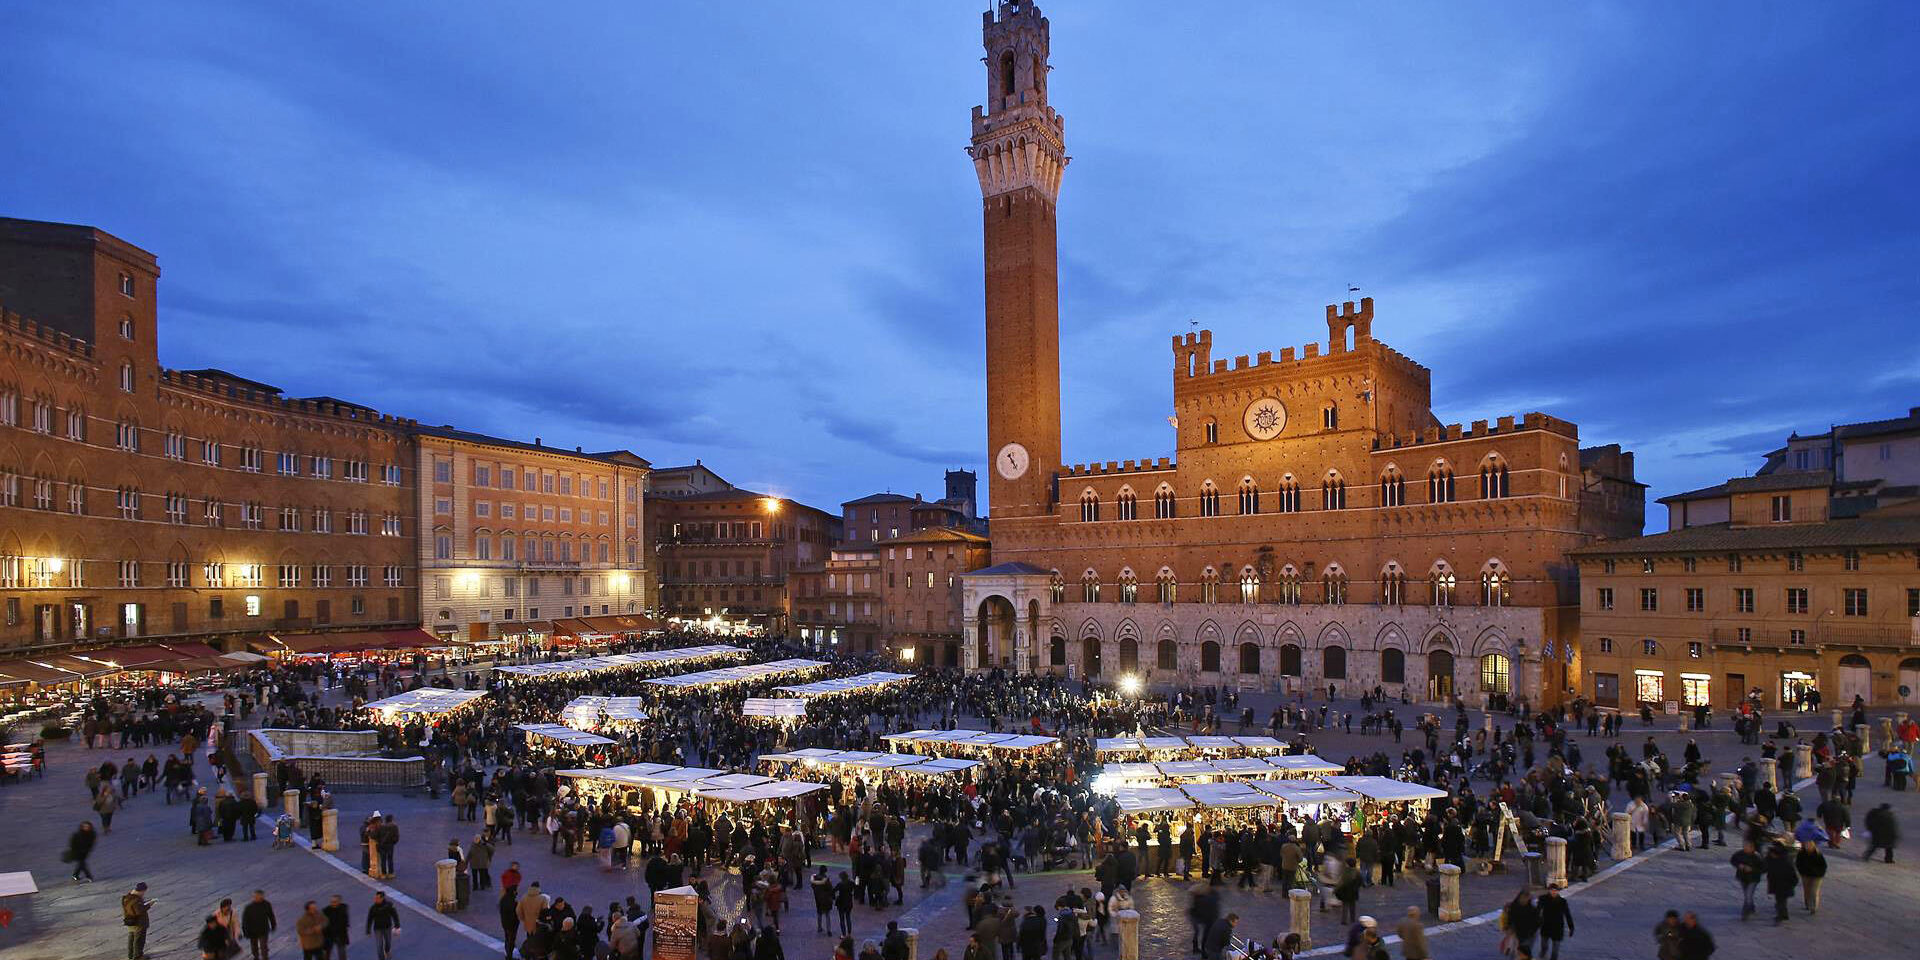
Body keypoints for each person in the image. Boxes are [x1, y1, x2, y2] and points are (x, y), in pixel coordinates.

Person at [1762, 843, 1797, 923]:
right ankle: (1784, 915)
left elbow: (1793, 875)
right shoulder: (1772, 860)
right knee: (1781, 900)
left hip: (1784, 885)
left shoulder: (1785, 862)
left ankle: (1780, 916)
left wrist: (1792, 884)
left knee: (1780, 901)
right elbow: (1764, 868)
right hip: (1777, 884)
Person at [1536, 886, 1573, 960]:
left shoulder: (1562, 902)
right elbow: (1537, 911)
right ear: (1549, 891)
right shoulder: (1543, 899)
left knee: (1555, 950)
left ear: (1558, 891)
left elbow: (1567, 914)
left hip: (1557, 927)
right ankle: (1543, 952)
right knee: (1544, 945)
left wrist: (1571, 927)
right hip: (1546, 925)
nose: (1553, 892)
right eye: (1552, 890)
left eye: (1555, 891)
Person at [1729, 841, 1763, 917]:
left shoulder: (1757, 856)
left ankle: (1745, 911)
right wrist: (1739, 865)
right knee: (1747, 894)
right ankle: (1751, 907)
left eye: (1747, 847)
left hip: (1753, 879)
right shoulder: (1740, 853)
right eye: (1745, 847)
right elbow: (1733, 860)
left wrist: (1752, 869)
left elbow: (1762, 868)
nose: (1745, 849)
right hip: (1742, 877)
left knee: (1748, 894)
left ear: (1752, 848)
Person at [242, 890, 278, 960]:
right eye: (256, 896)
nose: (257, 898)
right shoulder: (249, 907)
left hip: (263, 929)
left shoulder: (267, 904)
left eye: (259, 896)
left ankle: (265, 957)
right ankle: (256, 957)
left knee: (263, 946)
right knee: (254, 946)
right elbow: (245, 921)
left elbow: (271, 915)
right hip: (252, 931)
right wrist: (245, 931)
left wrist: (273, 925)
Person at [366, 891, 401, 960]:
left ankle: (387, 951)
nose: (375, 899)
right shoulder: (373, 908)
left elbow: (394, 915)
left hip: (387, 927)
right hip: (377, 929)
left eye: (378, 898)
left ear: (382, 898)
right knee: (379, 946)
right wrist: (368, 930)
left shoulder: (389, 905)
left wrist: (397, 925)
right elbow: (369, 919)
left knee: (388, 942)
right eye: (375, 898)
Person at [122, 882, 153, 960]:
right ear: (141, 891)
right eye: (144, 892)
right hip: (139, 923)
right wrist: (149, 904)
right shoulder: (136, 899)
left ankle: (131, 954)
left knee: (131, 938)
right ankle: (138, 956)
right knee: (139, 939)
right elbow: (139, 911)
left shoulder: (127, 897)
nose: (143, 894)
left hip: (130, 921)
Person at [1795, 841, 1826, 915]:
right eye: (1806, 846)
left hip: (1817, 876)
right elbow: (1798, 863)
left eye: (1809, 846)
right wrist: (1802, 871)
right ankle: (1807, 904)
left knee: (1814, 891)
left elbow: (1823, 866)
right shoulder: (1801, 853)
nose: (1808, 847)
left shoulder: (1818, 855)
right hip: (1806, 875)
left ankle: (1814, 907)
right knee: (1807, 890)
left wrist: (1819, 873)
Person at [323, 895, 352, 960]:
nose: (333, 903)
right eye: (332, 901)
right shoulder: (326, 911)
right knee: (326, 954)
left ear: (339, 901)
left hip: (340, 935)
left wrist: (346, 925)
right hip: (329, 935)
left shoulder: (343, 909)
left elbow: (345, 921)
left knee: (342, 953)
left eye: (335, 901)